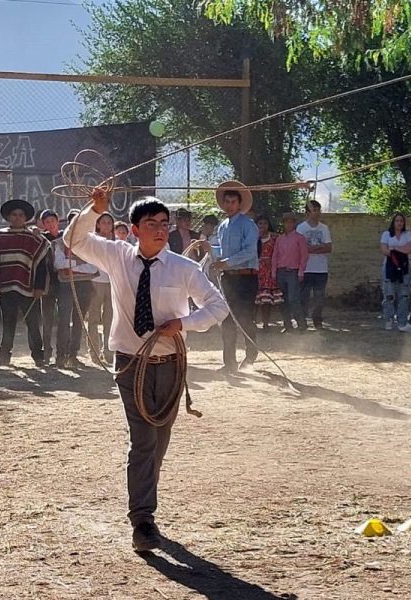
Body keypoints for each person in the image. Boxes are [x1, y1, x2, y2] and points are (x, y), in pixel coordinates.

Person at [63, 189, 228, 553]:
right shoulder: (117, 255)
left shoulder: (184, 268)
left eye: (164, 224)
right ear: (134, 229)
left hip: (170, 363)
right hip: (131, 362)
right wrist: (95, 210)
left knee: (160, 438)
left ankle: (144, 507)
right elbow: (73, 239)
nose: (159, 230)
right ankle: (142, 519)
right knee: (144, 439)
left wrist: (184, 323)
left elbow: (218, 307)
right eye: (151, 224)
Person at [0, 199, 49, 367]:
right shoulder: (0, 236)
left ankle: (39, 357)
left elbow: (41, 264)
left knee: (33, 323)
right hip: (6, 287)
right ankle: (4, 356)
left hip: (29, 287)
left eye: (21, 215)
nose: (17, 217)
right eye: (14, 214)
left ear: (26, 217)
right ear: (8, 216)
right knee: (8, 322)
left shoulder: (33, 237)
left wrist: (39, 287)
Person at [211, 181, 259, 372]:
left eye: (233, 201)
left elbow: (249, 252)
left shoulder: (248, 225)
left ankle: (250, 355)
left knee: (244, 318)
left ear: (239, 204)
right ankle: (229, 363)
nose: (229, 204)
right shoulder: (222, 226)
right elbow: (221, 251)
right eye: (227, 201)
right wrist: (208, 248)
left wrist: (226, 262)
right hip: (229, 278)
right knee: (227, 320)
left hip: (246, 278)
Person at [53, 210, 97, 368]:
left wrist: (70, 263)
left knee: (79, 320)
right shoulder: (59, 243)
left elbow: (93, 268)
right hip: (66, 284)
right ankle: (60, 355)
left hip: (84, 285)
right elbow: (58, 264)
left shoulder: (90, 244)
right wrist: (79, 263)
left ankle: (73, 355)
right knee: (63, 320)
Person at [296, 200, 332, 329]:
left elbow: (328, 247)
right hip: (306, 269)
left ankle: (317, 321)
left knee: (319, 298)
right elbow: (300, 249)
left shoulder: (324, 228)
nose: (317, 213)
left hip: (321, 269)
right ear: (307, 212)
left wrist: (311, 248)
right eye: (314, 210)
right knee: (303, 297)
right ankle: (302, 322)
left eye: (318, 210)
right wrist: (317, 247)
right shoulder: (301, 228)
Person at [271, 212, 308, 333]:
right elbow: (275, 256)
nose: (288, 224)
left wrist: (301, 271)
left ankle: (301, 323)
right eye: (286, 222)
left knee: (293, 299)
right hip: (281, 272)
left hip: (293, 272)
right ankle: (287, 325)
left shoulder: (300, 238)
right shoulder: (280, 239)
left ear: (294, 223)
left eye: (290, 222)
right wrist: (274, 272)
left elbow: (304, 256)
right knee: (282, 300)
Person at [87, 212, 115, 363]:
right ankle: (94, 352)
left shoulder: (117, 242)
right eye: (103, 222)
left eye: (109, 223)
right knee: (93, 318)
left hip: (112, 282)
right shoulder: (93, 240)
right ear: (98, 224)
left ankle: (108, 351)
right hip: (95, 280)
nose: (106, 225)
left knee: (110, 318)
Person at [380, 213, 411, 332]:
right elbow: (384, 250)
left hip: (404, 267)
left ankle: (402, 322)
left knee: (404, 295)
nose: (399, 223)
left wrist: (395, 249)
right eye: (397, 221)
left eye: (401, 221)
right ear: (393, 222)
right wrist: (400, 251)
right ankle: (388, 319)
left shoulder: (408, 234)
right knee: (389, 294)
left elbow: (410, 249)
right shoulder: (386, 234)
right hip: (390, 266)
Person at [38, 209, 61, 363]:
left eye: (52, 220)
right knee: (47, 318)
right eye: (47, 222)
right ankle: (47, 350)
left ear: (57, 221)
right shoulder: (41, 239)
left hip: (64, 281)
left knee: (64, 319)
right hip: (47, 283)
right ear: (43, 224)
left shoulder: (65, 237)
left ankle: (63, 351)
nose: (50, 224)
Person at [254, 215, 282, 330]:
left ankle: (266, 324)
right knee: (254, 299)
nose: (262, 226)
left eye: (265, 223)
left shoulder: (275, 238)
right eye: (260, 223)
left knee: (267, 300)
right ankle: (252, 323)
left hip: (269, 272)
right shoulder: (252, 238)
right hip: (254, 271)